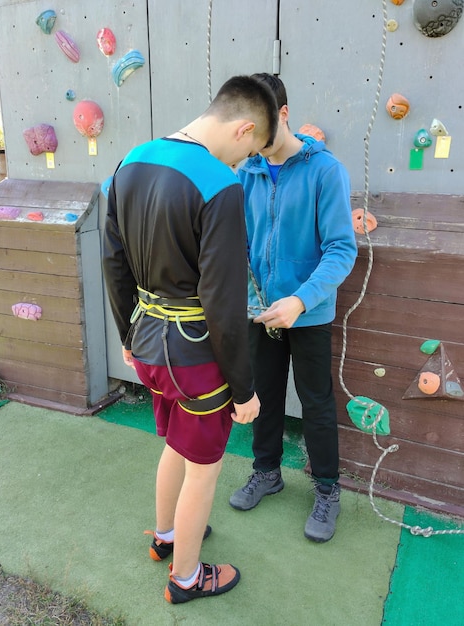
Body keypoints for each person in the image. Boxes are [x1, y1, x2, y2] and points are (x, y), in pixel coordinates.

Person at [102, 75, 278, 604]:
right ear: (245, 128)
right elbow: (223, 303)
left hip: (149, 345)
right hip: (196, 355)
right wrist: (244, 390)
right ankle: (185, 578)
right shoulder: (220, 184)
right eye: (250, 151)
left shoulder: (131, 160)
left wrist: (127, 334)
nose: (244, 162)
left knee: (176, 447)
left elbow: (112, 261)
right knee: (204, 468)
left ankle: (166, 536)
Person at [229, 73, 357, 543]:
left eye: (258, 129)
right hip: (260, 312)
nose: (252, 141)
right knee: (262, 393)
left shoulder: (326, 170)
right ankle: (267, 472)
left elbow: (342, 249)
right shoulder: (247, 172)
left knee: (317, 401)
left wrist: (301, 300)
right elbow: (239, 244)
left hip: (310, 312)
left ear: (282, 114)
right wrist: (248, 296)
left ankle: (327, 489)